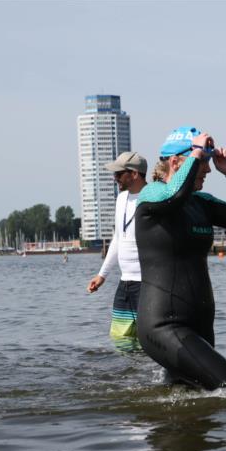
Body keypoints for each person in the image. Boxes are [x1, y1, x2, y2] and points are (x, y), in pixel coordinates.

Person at [134, 126, 226, 389]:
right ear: (175, 162)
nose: (207, 169)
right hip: (164, 326)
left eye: (206, 162)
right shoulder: (151, 196)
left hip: (200, 326)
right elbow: (174, 195)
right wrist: (196, 153)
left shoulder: (201, 202)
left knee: (191, 405)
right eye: (203, 162)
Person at [86, 151, 148, 353]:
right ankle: (130, 378)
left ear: (134, 174)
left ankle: (152, 377)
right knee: (120, 337)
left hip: (147, 283)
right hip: (125, 282)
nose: (115, 178)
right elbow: (118, 238)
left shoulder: (152, 197)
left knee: (147, 338)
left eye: (119, 174)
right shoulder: (121, 199)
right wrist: (102, 274)